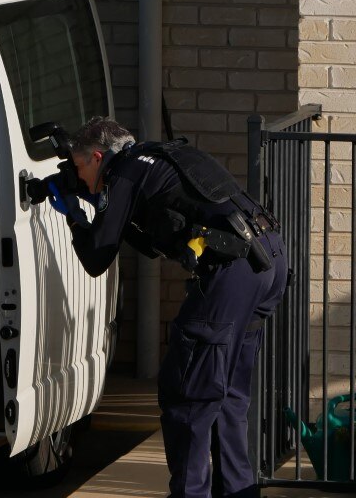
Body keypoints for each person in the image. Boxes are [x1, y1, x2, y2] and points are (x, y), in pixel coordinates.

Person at [28, 116, 288, 498]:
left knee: (188, 396)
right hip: (268, 260)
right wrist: (99, 202)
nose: (80, 177)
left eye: (80, 167)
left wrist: (73, 215)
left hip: (231, 272)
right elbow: (152, 242)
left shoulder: (126, 173)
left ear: (98, 156)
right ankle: (237, 492)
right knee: (227, 395)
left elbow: (97, 256)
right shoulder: (157, 158)